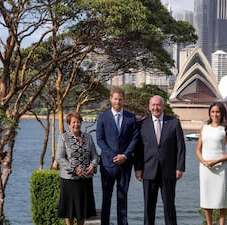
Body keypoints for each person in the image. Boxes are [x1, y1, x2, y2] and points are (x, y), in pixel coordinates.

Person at [135, 95, 186, 225]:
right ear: (149, 107)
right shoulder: (141, 124)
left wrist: (179, 167)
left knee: (169, 206)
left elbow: (180, 146)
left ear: (163, 106)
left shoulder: (174, 122)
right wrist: (138, 168)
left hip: (168, 171)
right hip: (148, 171)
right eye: (153, 105)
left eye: (158, 105)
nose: (156, 108)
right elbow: (139, 149)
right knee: (148, 206)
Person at [96, 86, 139, 225]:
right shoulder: (102, 117)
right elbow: (100, 140)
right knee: (106, 198)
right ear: (110, 99)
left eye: (120, 99)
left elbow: (135, 139)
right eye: (115, 99)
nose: (118, 102)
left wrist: (125, 156)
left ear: (124, 100)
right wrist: (114, 156)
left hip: (125, 165)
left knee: (123, 198)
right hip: (108, 165)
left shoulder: (131, 118)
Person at [195, 103, 227, 225]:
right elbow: (198, 149)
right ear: (209, 113)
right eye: (212, 112)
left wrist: (216, 161)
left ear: (222, 113)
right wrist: (203, 161)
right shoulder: (204, 128)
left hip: (220, 168)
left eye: (217, 112)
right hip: (205, 168)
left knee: (221, 200)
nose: (215, 114)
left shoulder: (226, 130)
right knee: (207, 198)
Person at [56, 112, 98, 225]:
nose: (76, 124)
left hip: (85, 179)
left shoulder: (88, 137)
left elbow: (94, 155)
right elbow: (59, 158)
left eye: (78, 122)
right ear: (69, 124)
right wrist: (75, 169)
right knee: (69, 211)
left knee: (82, 211)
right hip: (69, 180)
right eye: (73, 122)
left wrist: (93, 165)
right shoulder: (63, 138)